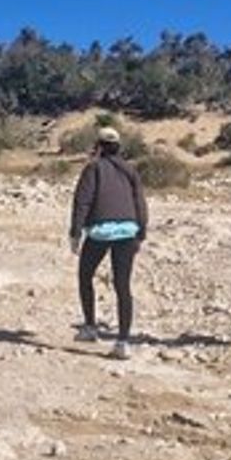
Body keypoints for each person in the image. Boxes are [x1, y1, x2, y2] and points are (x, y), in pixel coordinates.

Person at [68, 126, 149, 360]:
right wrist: (141, 232)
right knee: (123, 286)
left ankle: (90, 327)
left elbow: (82, 201)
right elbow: (140, 202)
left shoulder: (93, 168)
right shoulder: (130, 170)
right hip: (128, 231)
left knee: (85, 276)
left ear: (99, 146)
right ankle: (123, 341)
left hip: (100, 232)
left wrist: (75, 233)